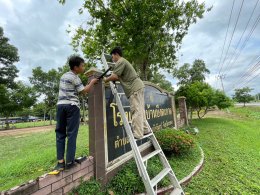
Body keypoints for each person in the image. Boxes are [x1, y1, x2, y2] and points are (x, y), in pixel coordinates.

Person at [54, 55, 98, 171]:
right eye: (82, 66)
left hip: (60, 106)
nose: (83, 68)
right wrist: (92, 82)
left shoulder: (64, 75)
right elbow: (84, 91)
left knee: (60, 134)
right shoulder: (75, 77)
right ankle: (69, 162)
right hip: (72, 107)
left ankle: (60, 162)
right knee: (72, 134)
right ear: (75, 67)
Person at [104, 47, 150, 139]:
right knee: (140, 110)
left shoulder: (120, 62)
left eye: (113, 57)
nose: (112, 59)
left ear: (116, 54)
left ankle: (138, 133)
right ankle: (145, 129)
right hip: (138, 86)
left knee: (136, 111)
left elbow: (114, 76)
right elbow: (118, 77)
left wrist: (105, 79)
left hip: (134, 88)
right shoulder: (124, 62)